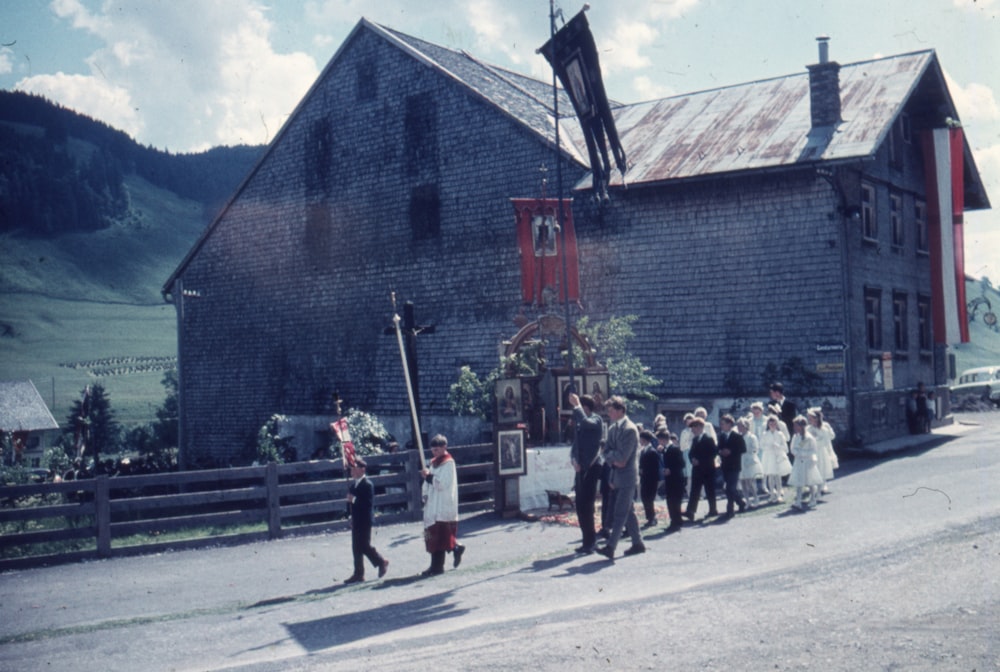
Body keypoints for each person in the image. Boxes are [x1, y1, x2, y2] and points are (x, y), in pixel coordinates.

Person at [596, 396, 645, 560]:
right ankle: (638, 543)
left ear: (620, 411)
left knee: (620, 513)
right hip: (616, 476)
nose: (609, 414)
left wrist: (610, 455)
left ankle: (611, 547)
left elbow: (622, 459)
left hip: (627, 478)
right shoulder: (613, 429)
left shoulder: (630, 430)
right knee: (628, 512)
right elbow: (608, 452)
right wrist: (611, 468)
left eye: (611, 411)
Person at [420, 434, 465, 576]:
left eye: (437, 450)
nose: (435, 453)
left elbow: (442, 484)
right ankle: (439, 561)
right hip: (433, 503)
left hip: (443, 503)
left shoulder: (448, 463)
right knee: (433, 535)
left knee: (440, 534)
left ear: (444, 447)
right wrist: (425, 493)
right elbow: (428, 484)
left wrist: (428, 477)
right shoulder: (433, 463)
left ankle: (438, 566)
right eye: (433, 451)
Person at [568, 391, 605, 554]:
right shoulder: (580, 422)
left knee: (587, 505)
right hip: (580, 468)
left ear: (586, 408)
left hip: (592, 466)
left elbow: (585, 422)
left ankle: (591, 542)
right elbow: (576, 445)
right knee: (580, 506)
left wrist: (576, 406)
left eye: (581, 408)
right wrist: (574, 460)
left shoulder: (596, 420)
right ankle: (586, 541)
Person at [343, 458, 389, 584]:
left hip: (365, 520)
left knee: (364, 545)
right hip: (356, 519)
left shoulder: (367, 485)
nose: (352, 471)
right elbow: (349, 505)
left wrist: (353, 500)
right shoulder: (352, 486)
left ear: (362, 469)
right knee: (356, 547)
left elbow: (367, 504)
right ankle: (358, 573)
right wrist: (350, 516)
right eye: (351, 469)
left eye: (354, 468)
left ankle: (381, 561)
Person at [683, 416, 718, 521]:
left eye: (694, 427)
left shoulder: (708, 439)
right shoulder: (694, 440)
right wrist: (692, 459)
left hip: (707, 469)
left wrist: (701, 461)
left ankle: (713, 509)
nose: (692, 430)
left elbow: (713, 453)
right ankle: (690, 511)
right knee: (694, 490)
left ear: (700, 427)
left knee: (709, 490)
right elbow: (691, 453)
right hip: (697, 469)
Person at [788, 416, 823, 510]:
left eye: (796, 426)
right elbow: (792, 448)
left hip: (808, 462)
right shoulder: (796, 436)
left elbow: (813, 451)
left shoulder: (809, 438)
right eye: (794, 426)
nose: (795, 428)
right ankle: (798, 501)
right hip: (799, 462)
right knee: (799, 482)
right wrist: (796, 452)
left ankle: (813, 499)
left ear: (802, 426)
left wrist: (803, 453)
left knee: (810, 481)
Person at [717, 414, 747, 518]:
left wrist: (731, 451)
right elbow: (718, 448)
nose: (722, 426)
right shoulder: (721, 436)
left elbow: (743, 449)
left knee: (731, 487)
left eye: (723, 424)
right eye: (721, 424)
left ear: (730, 424)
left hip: (735, 465)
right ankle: (741, 502)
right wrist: (721, 452)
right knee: (728, 488)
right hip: (725, 465)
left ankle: (730, 509)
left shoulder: (737, 436)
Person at [658, 428, 686, 532]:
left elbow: (681, 464)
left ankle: (676, 521)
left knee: (675, 501)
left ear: (663, 439)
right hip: (670, 479)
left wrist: (671, 470)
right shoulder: (666, 450)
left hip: (676, 478)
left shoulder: (675, 449)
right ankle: (675, 520)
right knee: (670, 500)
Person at [760, 415, 792, 503]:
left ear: (777, 424)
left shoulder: (780, 434)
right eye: (770, 424)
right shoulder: (765, 434)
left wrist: (778, 446)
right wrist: (769, 447)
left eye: (774, 424)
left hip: (778, 456)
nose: (772, 426)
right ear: (768, 425)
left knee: (778, 476)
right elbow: (761, 445)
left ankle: (778, 495)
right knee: (770, 476)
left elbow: (785, 448)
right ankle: (771, 495)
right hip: (769, 457)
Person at [806, 407, 836, 495]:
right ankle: (813, 484)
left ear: (816, 418)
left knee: (822, 466)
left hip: (822, 450)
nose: (809, 420)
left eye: (811, 418)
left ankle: (823, 484)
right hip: (812, 451)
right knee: (813, 467)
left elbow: (831, 436)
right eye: (809, 418)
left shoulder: (825, 426)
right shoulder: (809, 428)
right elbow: (804, 440)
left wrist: (823, 437)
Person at [638, 429, 662, 528]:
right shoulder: (643, 450)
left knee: (649, 499)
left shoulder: (652, 451)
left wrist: (645, 471)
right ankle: (649, 517)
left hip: (651, 479)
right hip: (644, 478)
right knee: (644, 498)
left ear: (645, 440)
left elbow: (654, 467)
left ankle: (652, 518)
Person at [737, 416, 763, 508]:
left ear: (745, 426)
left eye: (741, 426)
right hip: (741, 460)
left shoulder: (752, 436)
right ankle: (747, 501)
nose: (739, 428)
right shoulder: (738, 437)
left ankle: (756, 498)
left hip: (749, 460)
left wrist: (748, 453)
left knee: (750, 482)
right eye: (738, 426)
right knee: (743, 481)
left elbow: (755, 449)